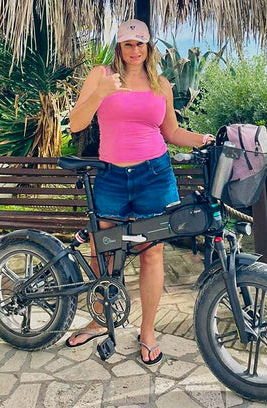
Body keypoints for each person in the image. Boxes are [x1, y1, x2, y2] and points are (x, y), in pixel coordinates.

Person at [66, 19, 214, 364]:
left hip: (154, 175)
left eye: (141, 44)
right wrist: (102, 93)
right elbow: (76, 123)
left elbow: (172, 132)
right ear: (119, 46)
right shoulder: (100, 75)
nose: (135, 50)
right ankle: (101, 319)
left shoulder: (161, 83)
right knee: (102, 251)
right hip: (111, 176)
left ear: (149, 47)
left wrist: (204, 139)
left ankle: (147, 331)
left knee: (152, 253)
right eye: (128, 44)